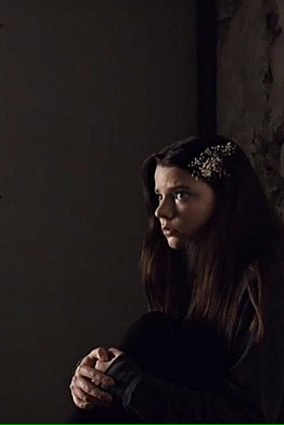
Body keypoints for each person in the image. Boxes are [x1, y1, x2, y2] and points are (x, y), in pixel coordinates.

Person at [68, 135, 284, 422]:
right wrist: (95, 379)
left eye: (181, 195)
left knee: (152, 333)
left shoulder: (263, 277)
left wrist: (130, 383)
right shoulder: (178, 267)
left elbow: (253, 417)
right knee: (150, 336)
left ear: (225, 198)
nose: (162, 212)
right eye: (159, 196)